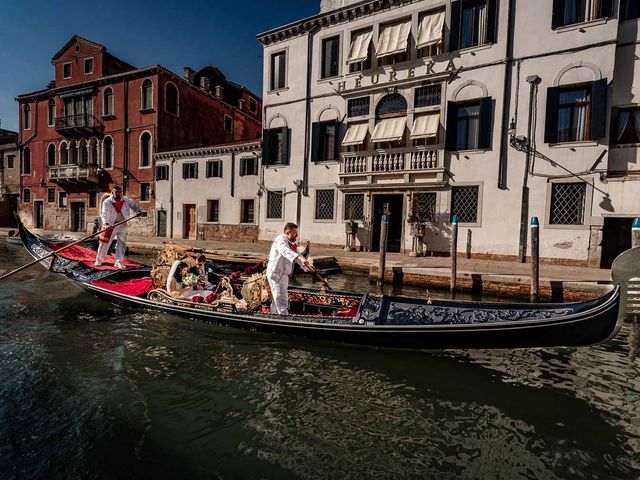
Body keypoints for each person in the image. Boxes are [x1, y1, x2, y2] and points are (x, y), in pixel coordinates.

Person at [266, 222, 310, 315]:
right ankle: (283, 319)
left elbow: (298, 256)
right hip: (276, 275)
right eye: (295, 233)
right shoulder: (280, 241)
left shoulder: (291, 243)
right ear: (288, 232)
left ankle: (273, 316)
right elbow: (285, 251)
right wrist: (300, 258)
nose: (297, 235)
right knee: (281, 299)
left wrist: (308, 267)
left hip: (284, 275)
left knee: (277, 299)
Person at [94, 185, 142, 269]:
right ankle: (99, 260)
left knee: (122, 242)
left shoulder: (126, 200)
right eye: (116, 192)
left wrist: (138, 211)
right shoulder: (107, 202)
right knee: (104, 242)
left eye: (120, 192)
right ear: (112, 193)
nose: (119, 194)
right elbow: (104, 213)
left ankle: (118, 261)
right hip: (110, 225)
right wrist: (106, 223)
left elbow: (133, 205)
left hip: (122, 224)